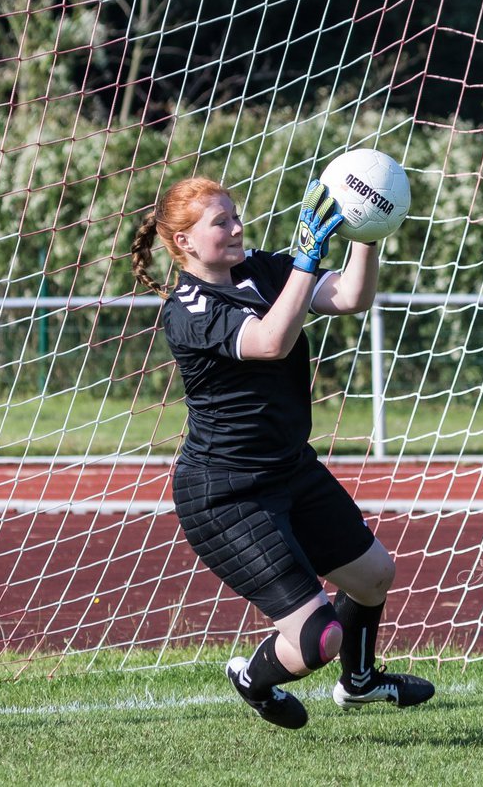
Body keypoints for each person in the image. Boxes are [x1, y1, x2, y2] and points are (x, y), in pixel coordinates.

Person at [130, 175, 435, 729]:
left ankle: (361, 682)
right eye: (220, 222)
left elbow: (350, 297)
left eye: (235, 215)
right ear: (184, 243)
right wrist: (307, 259)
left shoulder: (266, 268)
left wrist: (368, 230)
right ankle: (253, 678)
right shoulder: (187, 307)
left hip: (290, 469)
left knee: (373, 576)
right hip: (226, 495)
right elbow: (271, 342)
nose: (237, 227)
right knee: (319, 637)